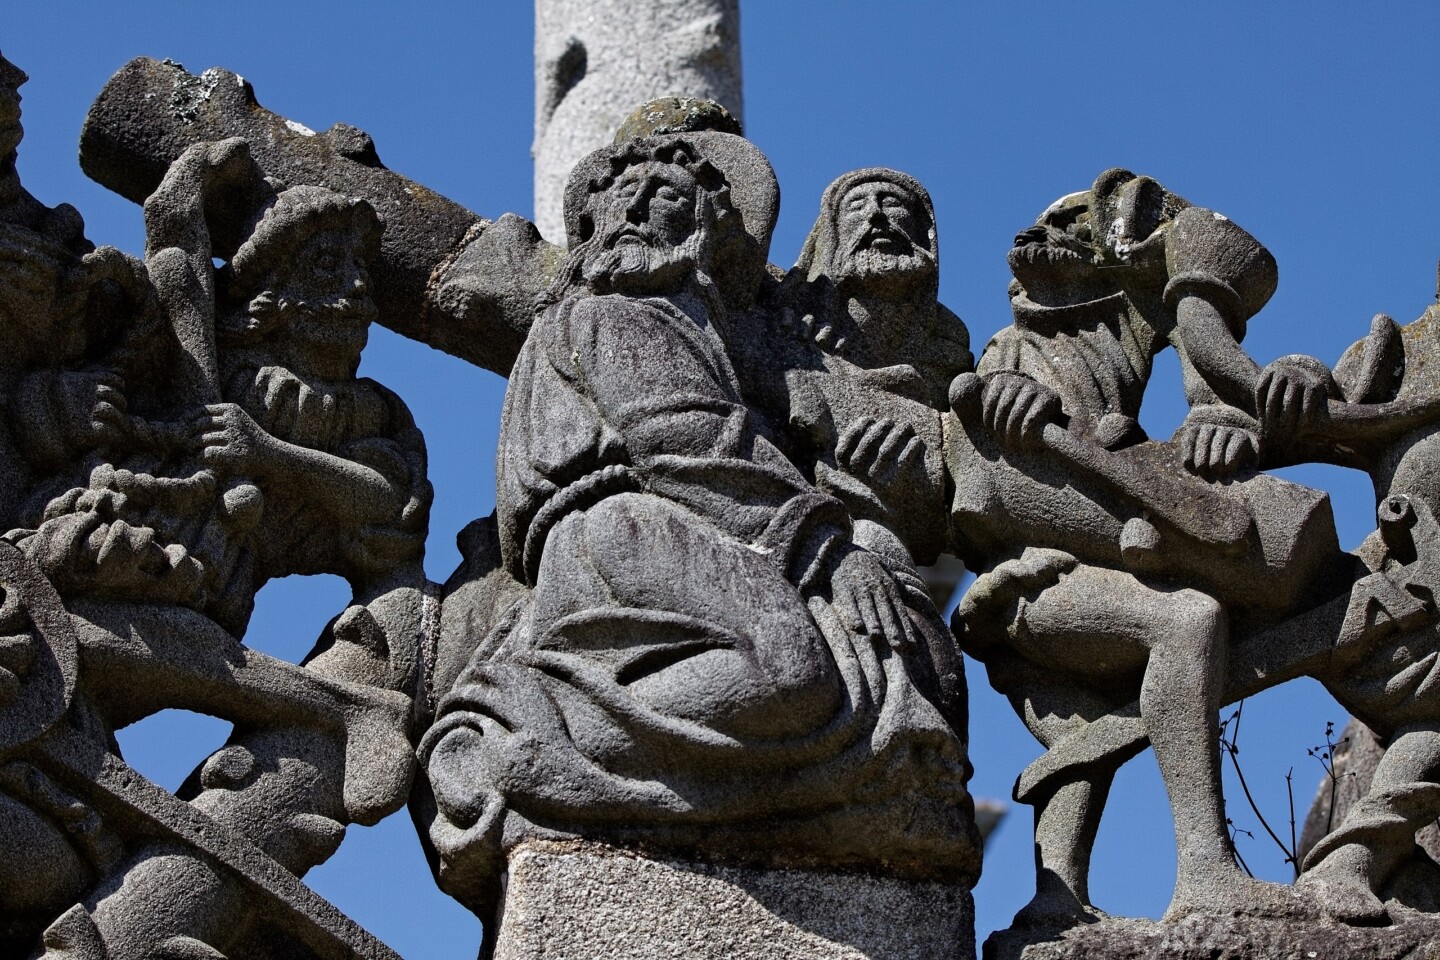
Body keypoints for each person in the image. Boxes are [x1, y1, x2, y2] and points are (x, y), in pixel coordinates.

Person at [421, 132, 979, 936]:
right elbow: (686, 437)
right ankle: (529, 735)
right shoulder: (613, 307)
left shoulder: (687, 319)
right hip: (618, 526)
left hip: (662, 524)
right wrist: (827, 551)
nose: (642, 209)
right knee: (791, 669)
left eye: (668, 196)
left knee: (872, 662)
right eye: (623, 197)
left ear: (708, 228)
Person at [949, 169, 1344, 925]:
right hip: (1030, 586)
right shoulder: (1008, 350)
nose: (1046, 235)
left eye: (1074, 224)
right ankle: (1204, 873)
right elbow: (980, 470)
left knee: (1088, 725)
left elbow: (1214, 349)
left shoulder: (1131, 322)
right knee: (1186, 619)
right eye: (1049, 223)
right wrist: (1004, 396)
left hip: (1107, 562)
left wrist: (1248, 402)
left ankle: (1050, 911)